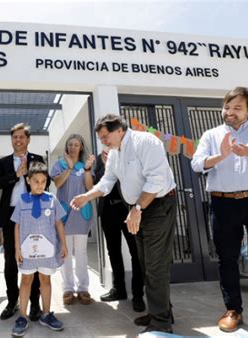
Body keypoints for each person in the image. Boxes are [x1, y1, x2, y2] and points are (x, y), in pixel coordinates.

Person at [70, 114, 177, 334]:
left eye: (105, 136)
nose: (103, 141)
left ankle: (161, 322)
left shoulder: (146, 142)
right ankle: (160, 311)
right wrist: (86, 197)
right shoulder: (115, 154)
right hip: (139, 208)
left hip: (157, 205)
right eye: (100, 138)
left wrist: (137, 209)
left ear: (119, 129)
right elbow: (107, 182)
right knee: (146, 262)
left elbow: (156, 180)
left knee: (155, 265)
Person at [191, 87, 248, 333]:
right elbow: (197, 164)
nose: (229, 112)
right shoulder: (211, 134)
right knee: (227, 259)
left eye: (237, 108)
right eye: (227, 107)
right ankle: (233, 310)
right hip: (223, 203)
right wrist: (220, 156)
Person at [0, 123, 49, 321]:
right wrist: (15, 176)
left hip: (33, 214)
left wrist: (28, 175)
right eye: (15, 137)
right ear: (12, 140)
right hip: (10, 216)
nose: (18, 140)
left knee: (33, 258)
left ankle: (34, 303)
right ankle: (12, 301)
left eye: (21, 137)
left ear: (28, 139)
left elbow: (46, 182)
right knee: (10, 261)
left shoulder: (37, 160)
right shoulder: (3, 162)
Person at [11, 162, 68, 337]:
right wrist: (17, 249)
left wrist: (64, 244)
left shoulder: (52, 199)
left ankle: (46, 314)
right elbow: (17, 226)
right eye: (36, 181)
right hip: (27, 251)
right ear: (28, 180)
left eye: (43, 181)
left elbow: (58, 222)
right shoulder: (22, 200)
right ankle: (22, 316)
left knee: (45, 280)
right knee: (26, 281)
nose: (39, 184)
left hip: (48, 249)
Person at [94, 147, 145, 312]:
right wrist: (104, 165)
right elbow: (98, 186)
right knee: (113, 252)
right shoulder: (99, 164)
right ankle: (119, 289)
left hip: (127, 211)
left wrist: (114, 163)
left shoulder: (126, 160)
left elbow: (129, 181)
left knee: (136, 252)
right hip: (108, 213)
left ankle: (137, 295)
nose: (107, 150)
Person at [50, 134, 96, 305]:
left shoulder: (85, 166)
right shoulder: (59, 164)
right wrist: (68, 169)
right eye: (70, 144)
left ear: (81, 147)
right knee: (66, 252)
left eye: (76, 144)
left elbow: (90, 188)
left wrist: (87, 170)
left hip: (82, 213)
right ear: (66, 147)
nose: (73, 147)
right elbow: (58, 184)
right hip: (64, 213)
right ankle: (68, 288)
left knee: (82, 253)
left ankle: (83, 288)